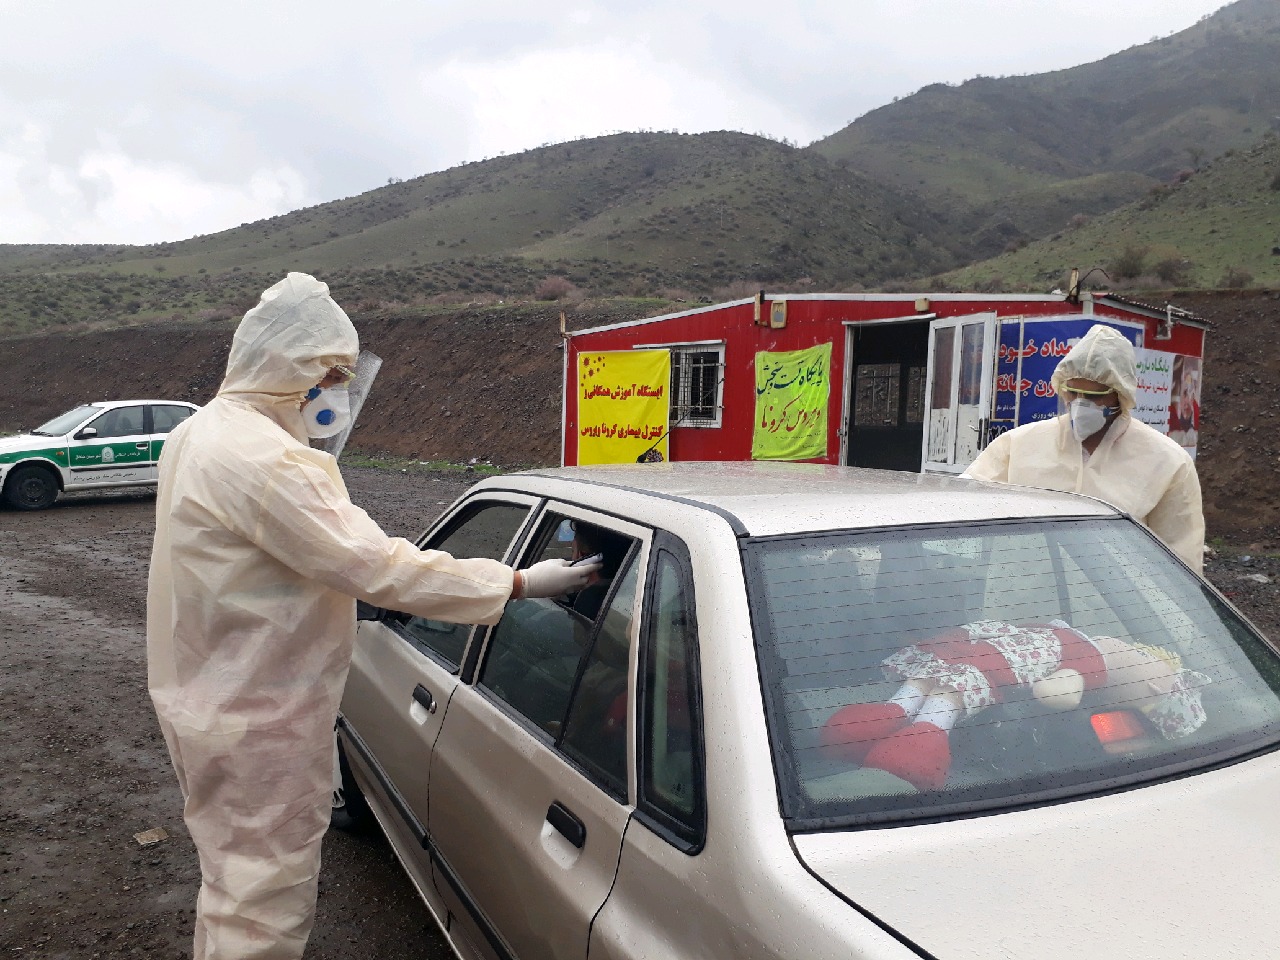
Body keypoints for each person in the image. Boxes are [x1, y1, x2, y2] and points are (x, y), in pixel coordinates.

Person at [146, 272, 597, 960]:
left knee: (233, 886)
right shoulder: (269, 461)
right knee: (263, 903)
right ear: (294, 369)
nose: (336, 393)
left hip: (212, 698)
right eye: (333, 375)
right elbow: (379, 567)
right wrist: (518, 581)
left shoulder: (200, 432)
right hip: (259, 717)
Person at [964, 324, 1205, 573]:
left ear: (1120, 395)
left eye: (1094, 396)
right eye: (1073, 392)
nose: (1080, 404)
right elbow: (959, 505)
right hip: (1018, 602)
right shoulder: (1018, 445)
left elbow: (1181, 561)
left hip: (1113, 607)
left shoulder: (1167, 462)